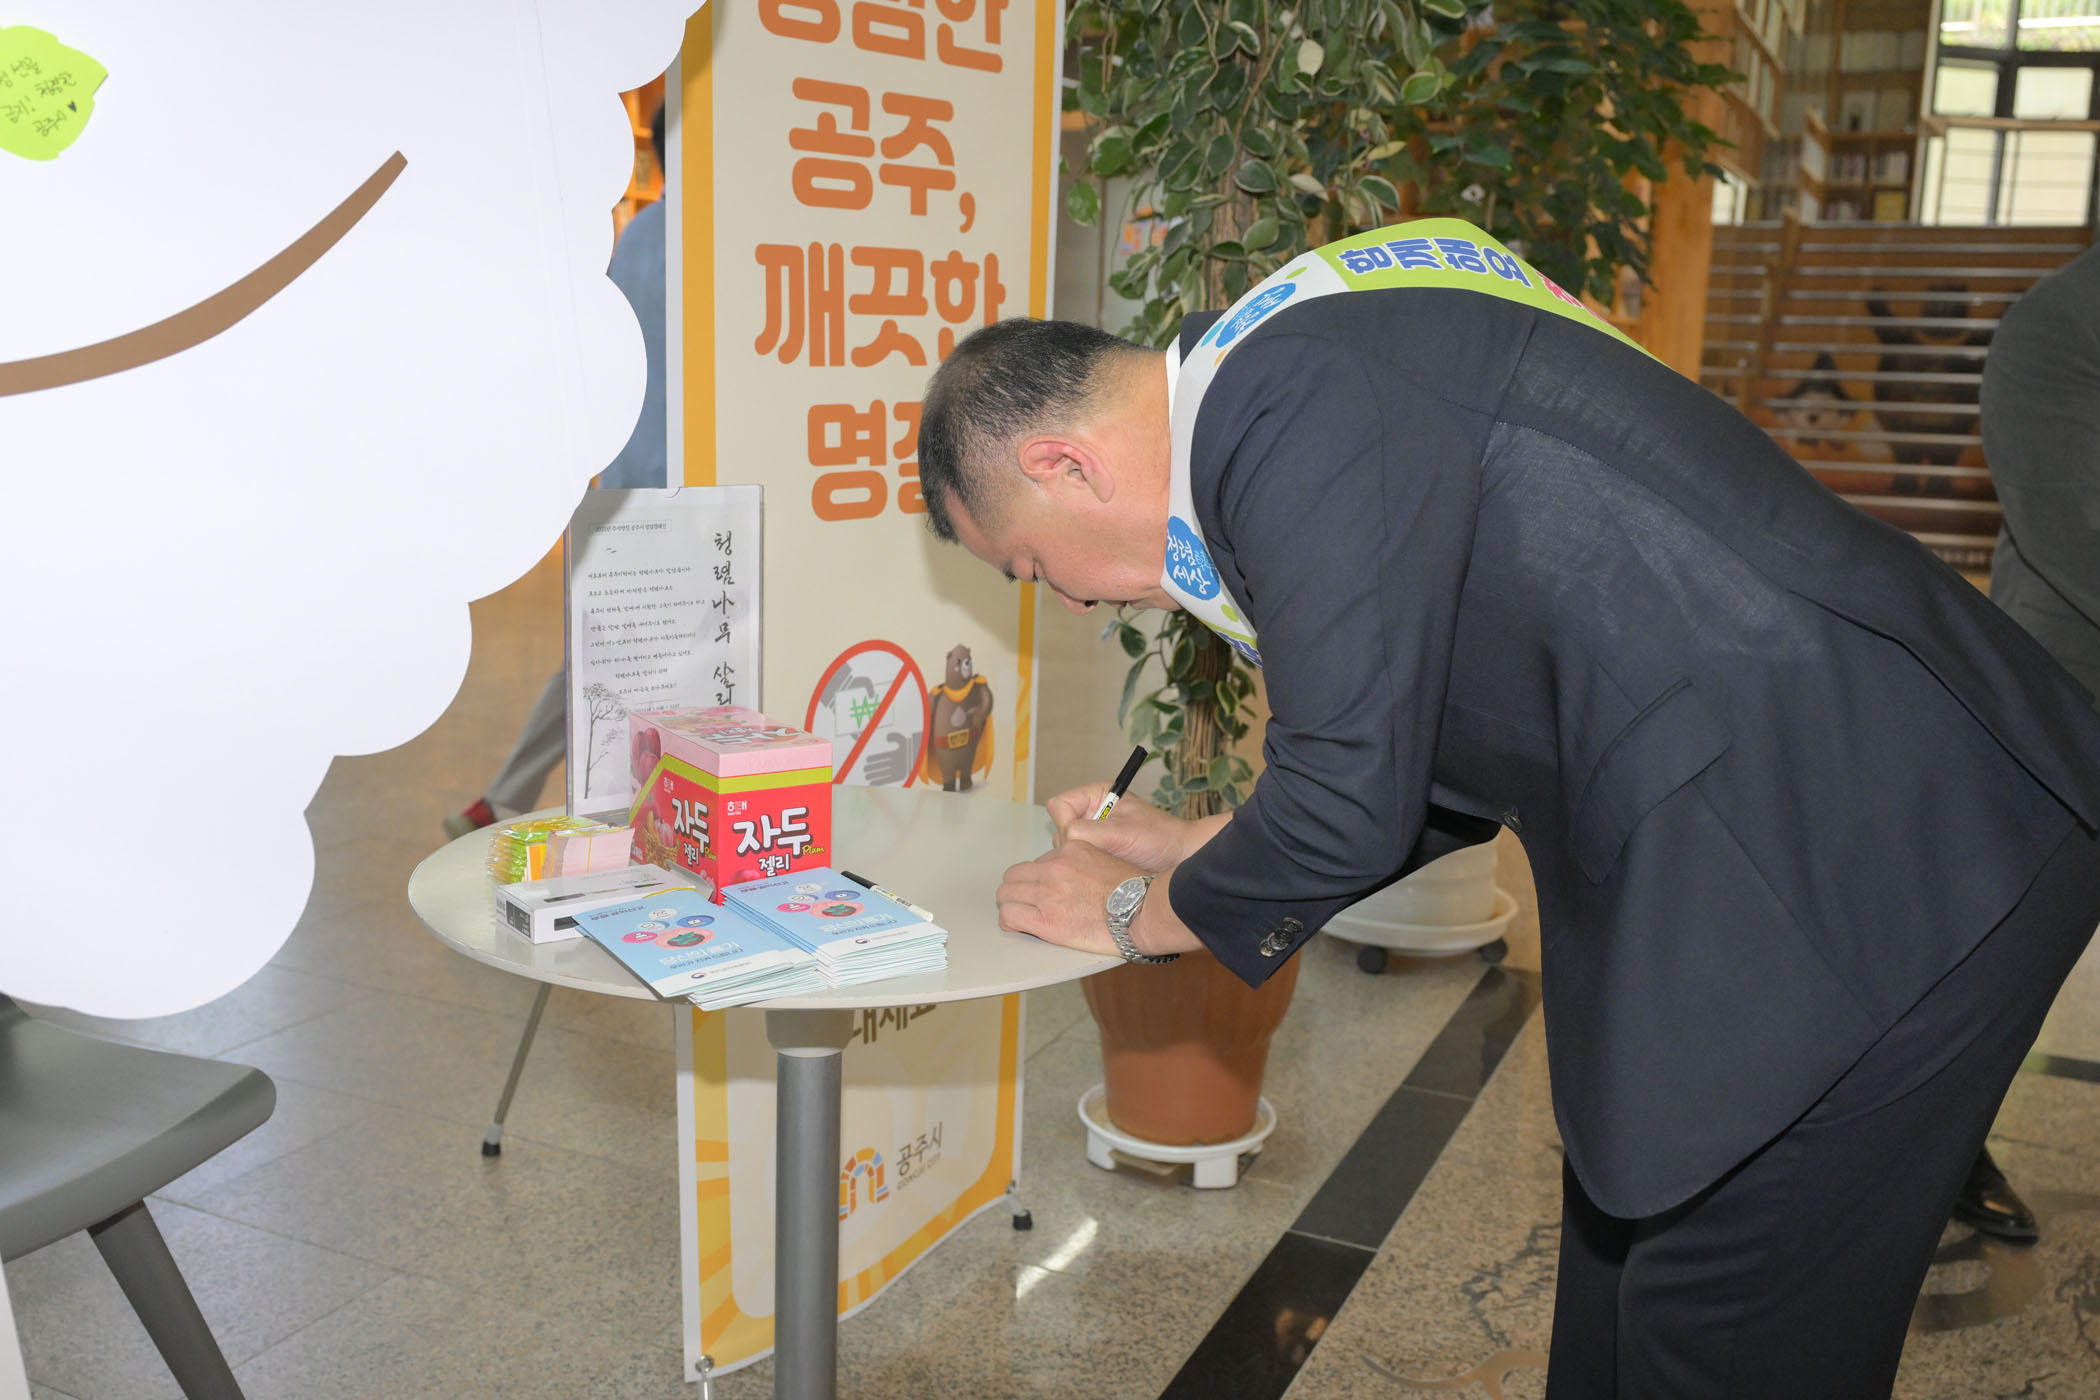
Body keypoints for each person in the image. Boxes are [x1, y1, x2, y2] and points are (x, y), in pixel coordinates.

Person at [914, 218, 2100, 1398]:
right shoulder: (1284, 383)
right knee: (1623, 1283)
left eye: (1032, 567)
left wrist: (1134, 914)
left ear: (1065, 465)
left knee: (1723, 1315)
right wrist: (1191, 842)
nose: (1067, 602)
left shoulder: (1281, 397)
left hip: (1881, 838)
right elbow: (1411, 756)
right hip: (1770, 830)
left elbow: (1345, 802)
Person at [446, 104, 668, 838]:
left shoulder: (635, 237)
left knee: (596, 654)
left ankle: (507, 796)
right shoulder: (700, 242)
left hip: (622, 483)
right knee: (630, 658)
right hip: (686, 493)